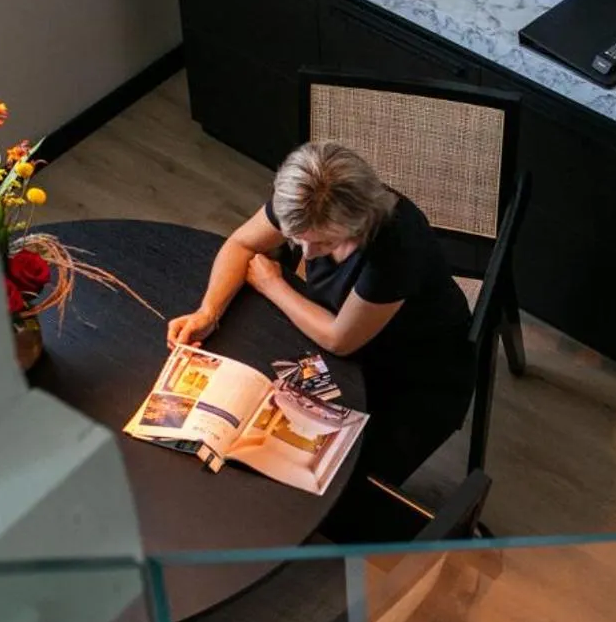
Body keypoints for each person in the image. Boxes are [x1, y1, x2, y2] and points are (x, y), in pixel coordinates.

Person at [167, 140, 474, 486]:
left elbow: (339, 339)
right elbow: (241, 244)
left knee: (338, 481)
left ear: (357, 225)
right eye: (296, 239)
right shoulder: (306, 198)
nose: (309, 254)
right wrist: (208, 311)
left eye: (325, 243)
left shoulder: (394, 247)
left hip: (415, 368)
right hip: (342, 336)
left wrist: (273, 284)